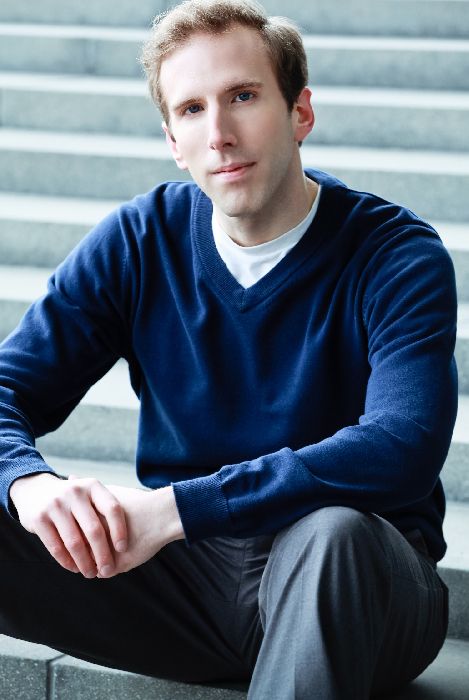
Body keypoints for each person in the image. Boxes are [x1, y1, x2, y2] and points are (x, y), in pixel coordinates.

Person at [0, 1, 457, 698]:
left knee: (329, 534)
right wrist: (27, 484)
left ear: (300, 112)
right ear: (173, 140)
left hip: (362, 586)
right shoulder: (139, 240)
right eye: (192, 109)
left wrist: (176, 509)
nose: (219, 134)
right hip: (187, 583)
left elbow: (402, 445)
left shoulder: (395, 255)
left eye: (242, 96)